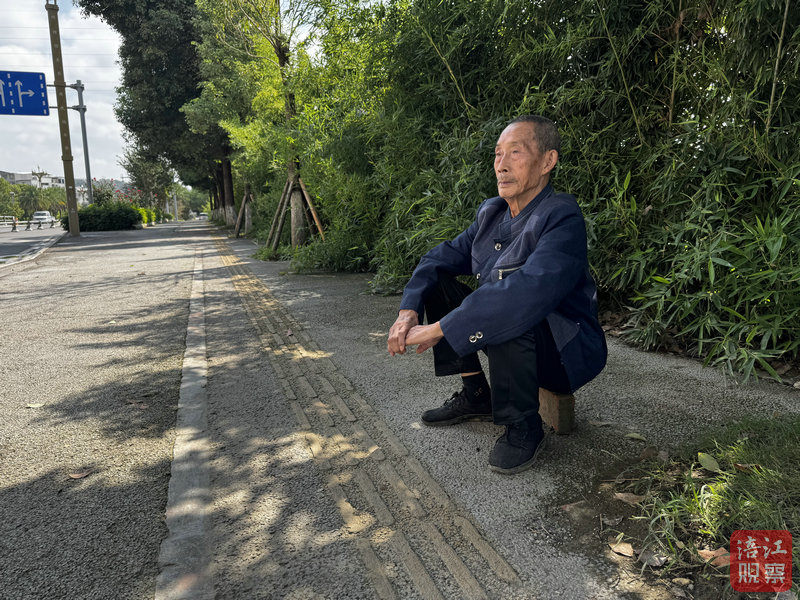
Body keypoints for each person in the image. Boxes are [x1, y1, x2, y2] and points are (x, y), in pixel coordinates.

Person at [387, 115, 607, 475]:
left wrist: (439, 328)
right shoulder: (491, 214)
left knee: (506, 303)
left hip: (566, 353)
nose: (501, 165)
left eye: (515, 153)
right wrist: (407, 312)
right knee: (441, 281)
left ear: (547, 161)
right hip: (517, 341)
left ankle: (523, 425)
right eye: (497, 154)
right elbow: (435, 260)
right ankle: (477, 395)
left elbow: (525, 294)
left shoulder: (561, 217)